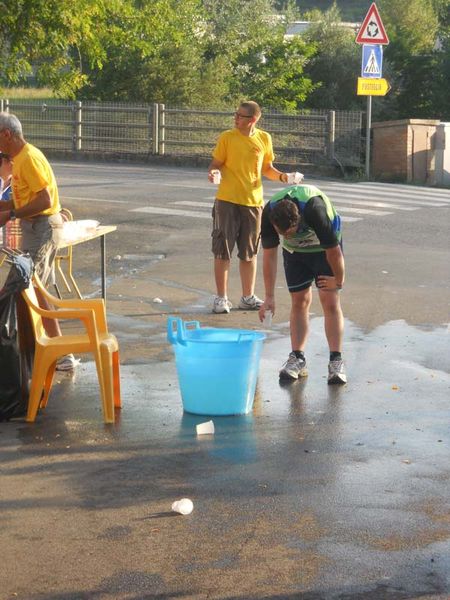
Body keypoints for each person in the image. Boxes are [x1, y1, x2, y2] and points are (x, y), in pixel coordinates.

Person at [207, 100, 303, 314]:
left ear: (253, 119)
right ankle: (221, 298)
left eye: (240, 115)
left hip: (253, 202)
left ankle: (247, 297)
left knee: (250, 251)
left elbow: (267, 168)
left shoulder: (264, 138)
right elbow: (215, 164)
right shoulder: (227, 138)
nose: (236, 118)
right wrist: (214, 173)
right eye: (236, 114)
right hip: (227, 200)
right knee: (222, 250)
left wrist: (283, 177)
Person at [0, 112, 78, 371]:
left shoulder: (29, 158)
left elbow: (44, 201)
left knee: (28, 288)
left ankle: (57, 354)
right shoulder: (19, 158)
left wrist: (11, 213)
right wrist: (8, 207)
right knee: (35, 289)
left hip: (43, 227)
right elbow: (25, 199)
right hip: (35, 228)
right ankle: (43, 351)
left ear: (7, 135)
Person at [258, 182, 347, 385]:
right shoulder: (269, 213)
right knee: (299, 301)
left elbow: (334, 251)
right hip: (295, 253)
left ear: (298, 220)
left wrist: (339, 281)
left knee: (329, 300)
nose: (285, 236)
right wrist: (269, 296)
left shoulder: (314, 209)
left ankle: (336, 360)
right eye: (282, 234)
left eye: (289, 232)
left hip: (324, 250)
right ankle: (297, 358)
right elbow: (269, 256)